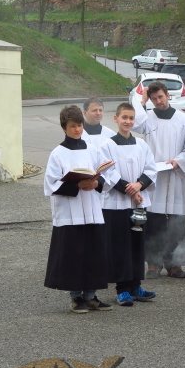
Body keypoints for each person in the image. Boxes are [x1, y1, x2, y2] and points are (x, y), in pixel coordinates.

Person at [44, 105, 112, 314]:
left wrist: (96, 182)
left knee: (93, 253)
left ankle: (91, 296)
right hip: (70, 212)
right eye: (72, 126)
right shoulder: (58, 153)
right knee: (74, 255)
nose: (77, 130)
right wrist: (76, 185)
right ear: (64, 128)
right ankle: (76, 298)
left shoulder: (92, 148)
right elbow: (51, 184)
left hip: (91, 209)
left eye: (80, 125)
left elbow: (104, 173)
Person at [134, 82, 185, 279]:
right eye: (154, 99)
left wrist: (178, 162)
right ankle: (153, 263)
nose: (158, 102)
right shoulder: (147, 119)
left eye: (161, 97)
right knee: (154, 220)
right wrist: (141, 100)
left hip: (175, 175)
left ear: (168, 96)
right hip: (155, 177)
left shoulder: (184, 120)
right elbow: (135, 123)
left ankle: (175, 263)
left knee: (176, 221)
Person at [100, 103, 158, 306]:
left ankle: (136, 286)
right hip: (116, 205)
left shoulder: (142, 145)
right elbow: (107, 173)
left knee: (137, 244)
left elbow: (151, 169)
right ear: (116, 119)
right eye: (124, 117)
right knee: (120, 246)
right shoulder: (107, 145)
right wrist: (130, 189)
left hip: (139, 204)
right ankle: (122, 289)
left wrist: (139, 185)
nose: (128, 121)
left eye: (131, 118)